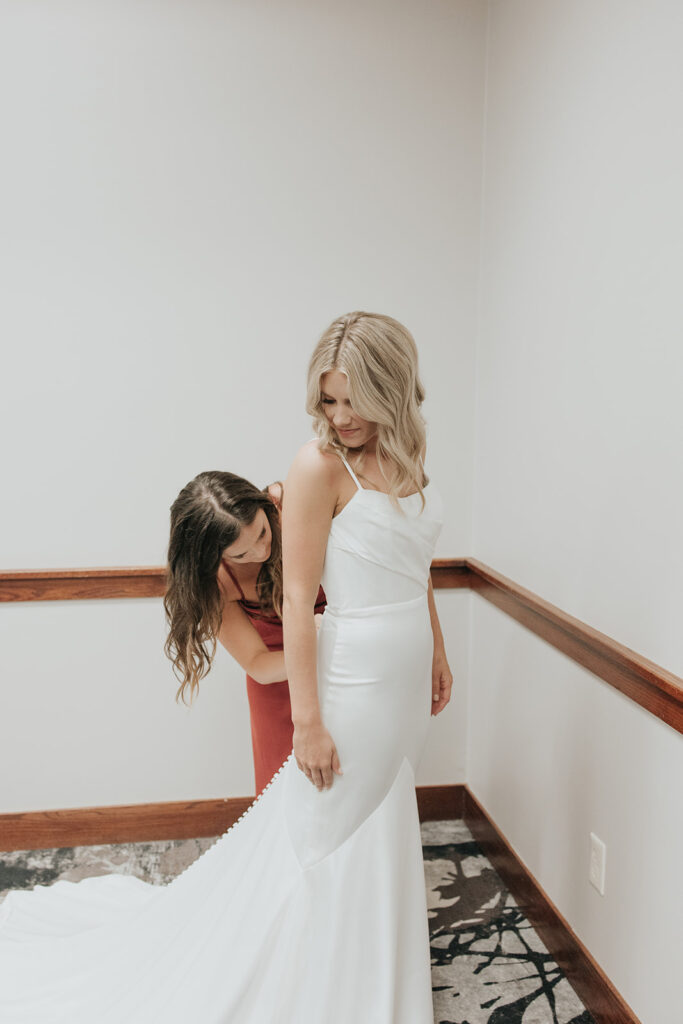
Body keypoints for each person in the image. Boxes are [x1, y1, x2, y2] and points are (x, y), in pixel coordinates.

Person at [0, 312, 452, 1024]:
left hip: (400, 677)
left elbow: (411, 569)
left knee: (376, 820)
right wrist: (307, 721)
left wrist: (438, 645)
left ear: (390, 386)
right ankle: (308, 982)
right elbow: (298, 599)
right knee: (324, 826)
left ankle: (367, 969)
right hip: (351, 678)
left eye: (352, 398)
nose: (339, 416)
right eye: (327, 400)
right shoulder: (317, 465)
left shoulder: (406, 455)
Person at [163, 471, 326, 794]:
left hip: (348, 658)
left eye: (263, 533)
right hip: (279, 680)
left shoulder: (296, 500)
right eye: (241, 554)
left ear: (265, 505)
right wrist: (317, 643)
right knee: (287, 791)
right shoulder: (216, 579)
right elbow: (257, 663)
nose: (261, 551)